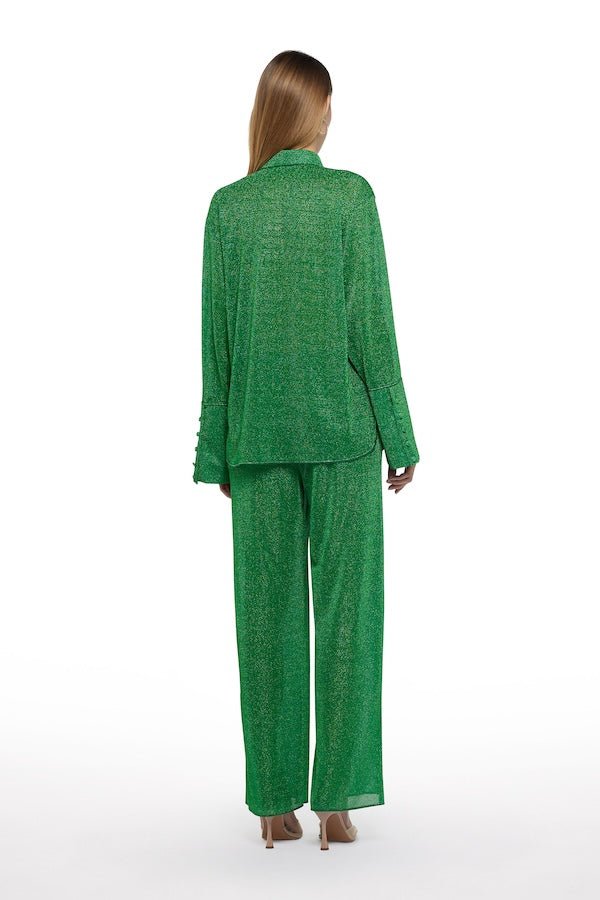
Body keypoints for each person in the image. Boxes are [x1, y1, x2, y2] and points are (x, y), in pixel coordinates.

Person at [192, 50, 420, 850]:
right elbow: (372, 329)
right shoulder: (351, 197)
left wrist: (217, 450)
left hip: (256, 437)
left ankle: (273, 806)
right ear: (312, 113)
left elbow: (216, 342)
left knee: (266, 624)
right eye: (326, 106)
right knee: (349, 620)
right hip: (344, 438)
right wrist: (400, 434)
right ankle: (338, 805)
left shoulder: (228, 208)